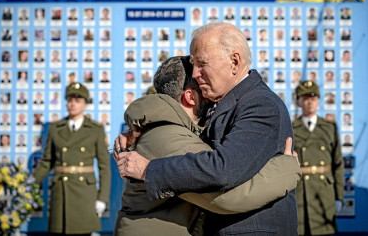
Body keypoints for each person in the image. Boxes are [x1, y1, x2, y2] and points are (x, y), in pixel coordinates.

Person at [116, 22, 298, 235]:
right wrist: (135, 134)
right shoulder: (222, 101)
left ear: (234, 62)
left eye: (202, 64)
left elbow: (223, 170)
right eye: (193, 65)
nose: (194, 74)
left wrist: (149, 169)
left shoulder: (259, 104)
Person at [33, 82, 111, 235]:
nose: (73, 104)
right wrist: (28, 184)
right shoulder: (56, 129)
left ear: (85, 104)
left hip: (85, 193)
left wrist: (102, 198)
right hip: (61, 191)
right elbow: (47, 162)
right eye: (70, 100)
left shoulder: (95, 129)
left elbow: (104, 167)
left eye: (78, 100)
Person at [293, 80, 344, 235]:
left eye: (313, 98)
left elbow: (338, 164)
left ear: (318, 101)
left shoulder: (329, 128)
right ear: (299, 102)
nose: (310, 102)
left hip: (324, 192)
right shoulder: (292, 128)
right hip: (301, 192)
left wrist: (339, 197)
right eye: (305, 98)